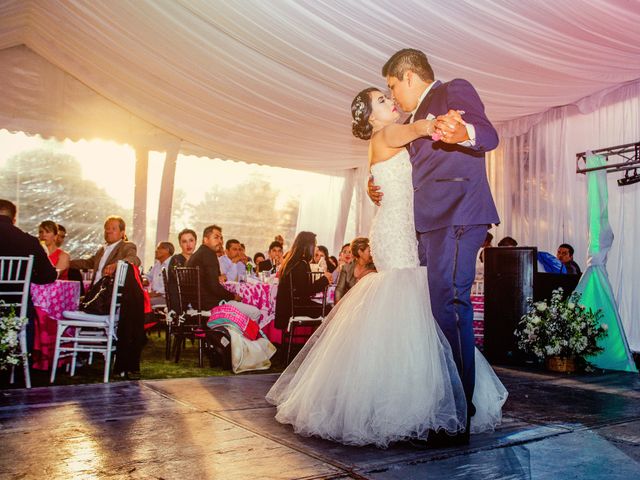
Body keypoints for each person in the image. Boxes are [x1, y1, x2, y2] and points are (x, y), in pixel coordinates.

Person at [266, 85, 506, 448]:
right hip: (397, 232)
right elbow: (420, 130)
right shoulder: (390, 132)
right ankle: (410, 402)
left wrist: (372, 184)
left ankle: (421, 398)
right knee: (407, 306)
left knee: (415, 309)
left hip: (404, 226)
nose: (390, 101)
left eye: (388, 95)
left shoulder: (387, 138)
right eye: (382, 100)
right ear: (371, 118)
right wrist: (446, 123)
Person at [0, 199, 57, 351]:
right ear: (14, 219)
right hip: (16, 305)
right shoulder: (29, 241)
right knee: (27, 306)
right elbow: (49, 275)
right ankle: (22, 362)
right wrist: (28, 275)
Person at [186, 225, 261, 320]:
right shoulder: (209, 255)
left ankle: (231, 333)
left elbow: (209, 282)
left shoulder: (198, 254)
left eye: (221, 238)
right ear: (206, 239)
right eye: (216, 237)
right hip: (210, 305)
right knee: (255, 312)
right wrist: (233, 296)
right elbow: (214, 287)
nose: (220, 241)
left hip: (197, 303)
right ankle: (234, 334)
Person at [273, 232, 333, 331]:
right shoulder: (300, 264)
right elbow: (304, 291)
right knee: (331, 310)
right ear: (307, 247)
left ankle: (317, 340)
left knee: (327, 308)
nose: (316, 248)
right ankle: (319, 342)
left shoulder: (294, 262)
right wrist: (324, 280)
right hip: (295, 307)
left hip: (290, 306)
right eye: (315, 245)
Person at [69, 215, 141, 284]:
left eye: (113, 229)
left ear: (122, 233)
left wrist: (117, 265)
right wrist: (68, 263)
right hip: (94, 289)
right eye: (107, 228)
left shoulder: (126, 246)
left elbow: (133, 259)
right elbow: (87, 263)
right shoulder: (101, 250)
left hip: (109, 292)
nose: (109, 231)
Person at [334, 237, 376, 303]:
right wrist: (338, 307)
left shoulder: (375, 267)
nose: (372, 254)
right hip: (350, 303)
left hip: (369, 303)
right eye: (369, 251)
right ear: (360, 252)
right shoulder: (346, 268)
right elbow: (339, 290)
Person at [167, 228, 197, 310]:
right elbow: (182, 281)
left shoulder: (199, 259)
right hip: (179, 301)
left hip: (196, 299)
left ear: (195, 242)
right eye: (184, 241)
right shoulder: (176, 259)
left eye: (191, 240)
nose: (188, 244)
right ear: (180, 244)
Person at [144, 241, 174, 307]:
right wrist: (144, 280)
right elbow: (148, 276)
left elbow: (172, 285)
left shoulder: (172, 264)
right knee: (137, 299)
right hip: (155, 295)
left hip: (166, 298)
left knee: (143, 302)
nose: (156, 251)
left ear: (167, 250)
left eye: (158, 248)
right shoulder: (157, 264)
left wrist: (157, 293)